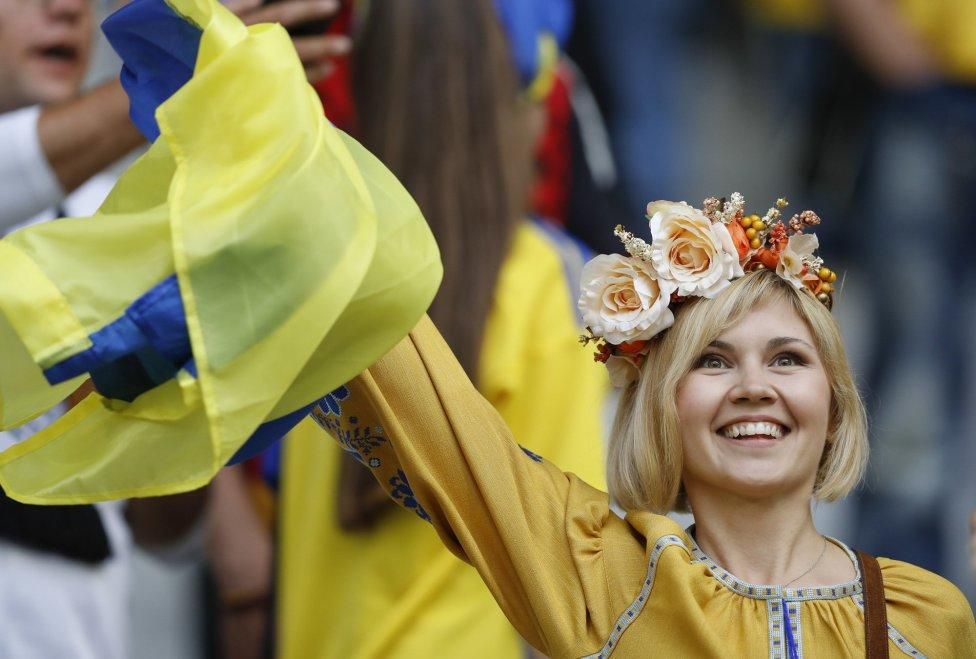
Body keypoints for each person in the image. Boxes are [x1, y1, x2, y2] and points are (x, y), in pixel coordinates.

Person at [306, 195, 975, 657]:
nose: (753, 387)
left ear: (833, 404)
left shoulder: (927, 617)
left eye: (787, 358)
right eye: (712, 360)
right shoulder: (602, 575)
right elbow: (427, 405)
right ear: (662, 405)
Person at [274, 1, 607, 656]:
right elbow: (578, 566)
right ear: (501, 97)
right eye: (539, 80)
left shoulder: (314, 272)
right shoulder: (544, 281)